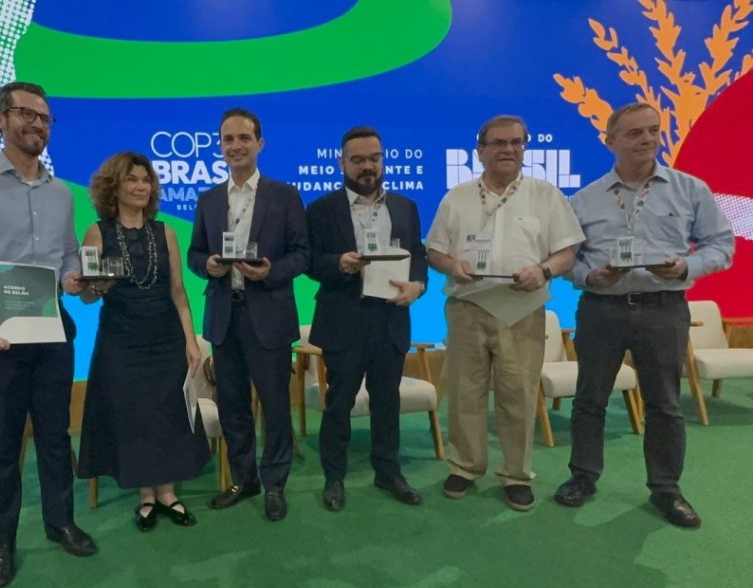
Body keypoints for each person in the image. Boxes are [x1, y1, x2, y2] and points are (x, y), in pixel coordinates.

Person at [0, 82, 97, 588]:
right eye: (25, 114)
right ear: (0, 118)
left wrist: (73, 276)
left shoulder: (61, 193)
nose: (36, 124)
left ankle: (61, 522)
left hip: (52, 329)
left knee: (55, 435)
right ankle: (2, 544)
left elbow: (67, 252)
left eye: (44, 118)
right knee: (3, 444)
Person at [554, 102, 734, 529]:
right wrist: (589, 276)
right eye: (635, 133)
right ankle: (583, 476)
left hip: (663, 309)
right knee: (589, 400)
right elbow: (566, 259)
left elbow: (721, 246)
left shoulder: (690, 189)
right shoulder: (584, 199)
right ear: (610, 141)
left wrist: (686, 267)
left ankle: (666, 489)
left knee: (665, 404)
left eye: (653, 130)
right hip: (602, 309)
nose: (647, 140)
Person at [426, 114, 584, 511]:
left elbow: (567, 252)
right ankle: (465, 467)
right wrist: (452, 265)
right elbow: (435, 251)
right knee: (464, 393)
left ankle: (516, 474)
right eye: (498, 142)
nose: (508, 149)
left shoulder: (546, 195)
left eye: (517, 142)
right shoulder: (456, 197)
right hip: (467, 307)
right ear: (480, 150)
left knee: (518, 395)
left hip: (522, 309)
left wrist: (543, 271)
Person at [76, 152, 211, 532]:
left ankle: (168, 493)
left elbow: (179, 293)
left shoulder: (166, 232)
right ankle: (146, 496)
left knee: (167, 415)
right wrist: (97, 287)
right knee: (134, 418)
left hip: (166, 339)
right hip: (120, 342)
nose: (140, 186)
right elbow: (85, 296)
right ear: (114, 186)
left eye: (146, 180)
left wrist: (191, 341)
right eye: (132, 179)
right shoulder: (96, 232)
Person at [187, 108, 309, 521]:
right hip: (225, 317)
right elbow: (194, 254)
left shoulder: (284, 195)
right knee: (233, 405)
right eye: (228, 139)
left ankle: (275, 484)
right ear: (220, 146)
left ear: (260, 143)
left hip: (269, 316)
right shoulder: (208, 200)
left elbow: (302, 254)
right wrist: (208, 266)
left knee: (275, 406)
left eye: (244, 138)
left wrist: (271, 271)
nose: (235, 146)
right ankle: (244, 479)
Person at [306, 126, 429, 511]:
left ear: (383, 159)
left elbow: (418, 254)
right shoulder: (321, 209)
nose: (367, 167)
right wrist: (338, 263)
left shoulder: (405, 207)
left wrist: (418, 285)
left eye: (374, 158)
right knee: (338, 403)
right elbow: (308, 261)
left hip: (390, 319)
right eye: (358, 160)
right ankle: (334, 477)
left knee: (387, 402)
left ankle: (388, 472)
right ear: (342, 163)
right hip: (343, 320)